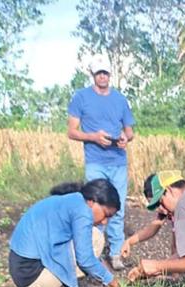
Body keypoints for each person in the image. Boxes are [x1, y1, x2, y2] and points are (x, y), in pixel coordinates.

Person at [8, 179, 121, 287]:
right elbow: (85, 259)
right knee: (96, 238)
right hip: (32, 276)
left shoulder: (73, 200)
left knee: (89, 238)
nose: (105, 221)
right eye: (106, 214)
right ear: (92, 201)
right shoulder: (83, 212)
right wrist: (111, 280)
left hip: (21, 269)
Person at [67, 54, 135, 271]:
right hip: (95, 161)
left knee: (118, 208)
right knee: (93, 208)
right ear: (93, 75)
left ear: (110, 74)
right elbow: (72, 132)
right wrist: (94, 137)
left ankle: (115, 253)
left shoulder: (120, 100)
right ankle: (92, 251)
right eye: (99, 73)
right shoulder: (80, 98)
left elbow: (130, 131)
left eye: (105, 73)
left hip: (117, 161)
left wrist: (125, 138)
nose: (103, 76)